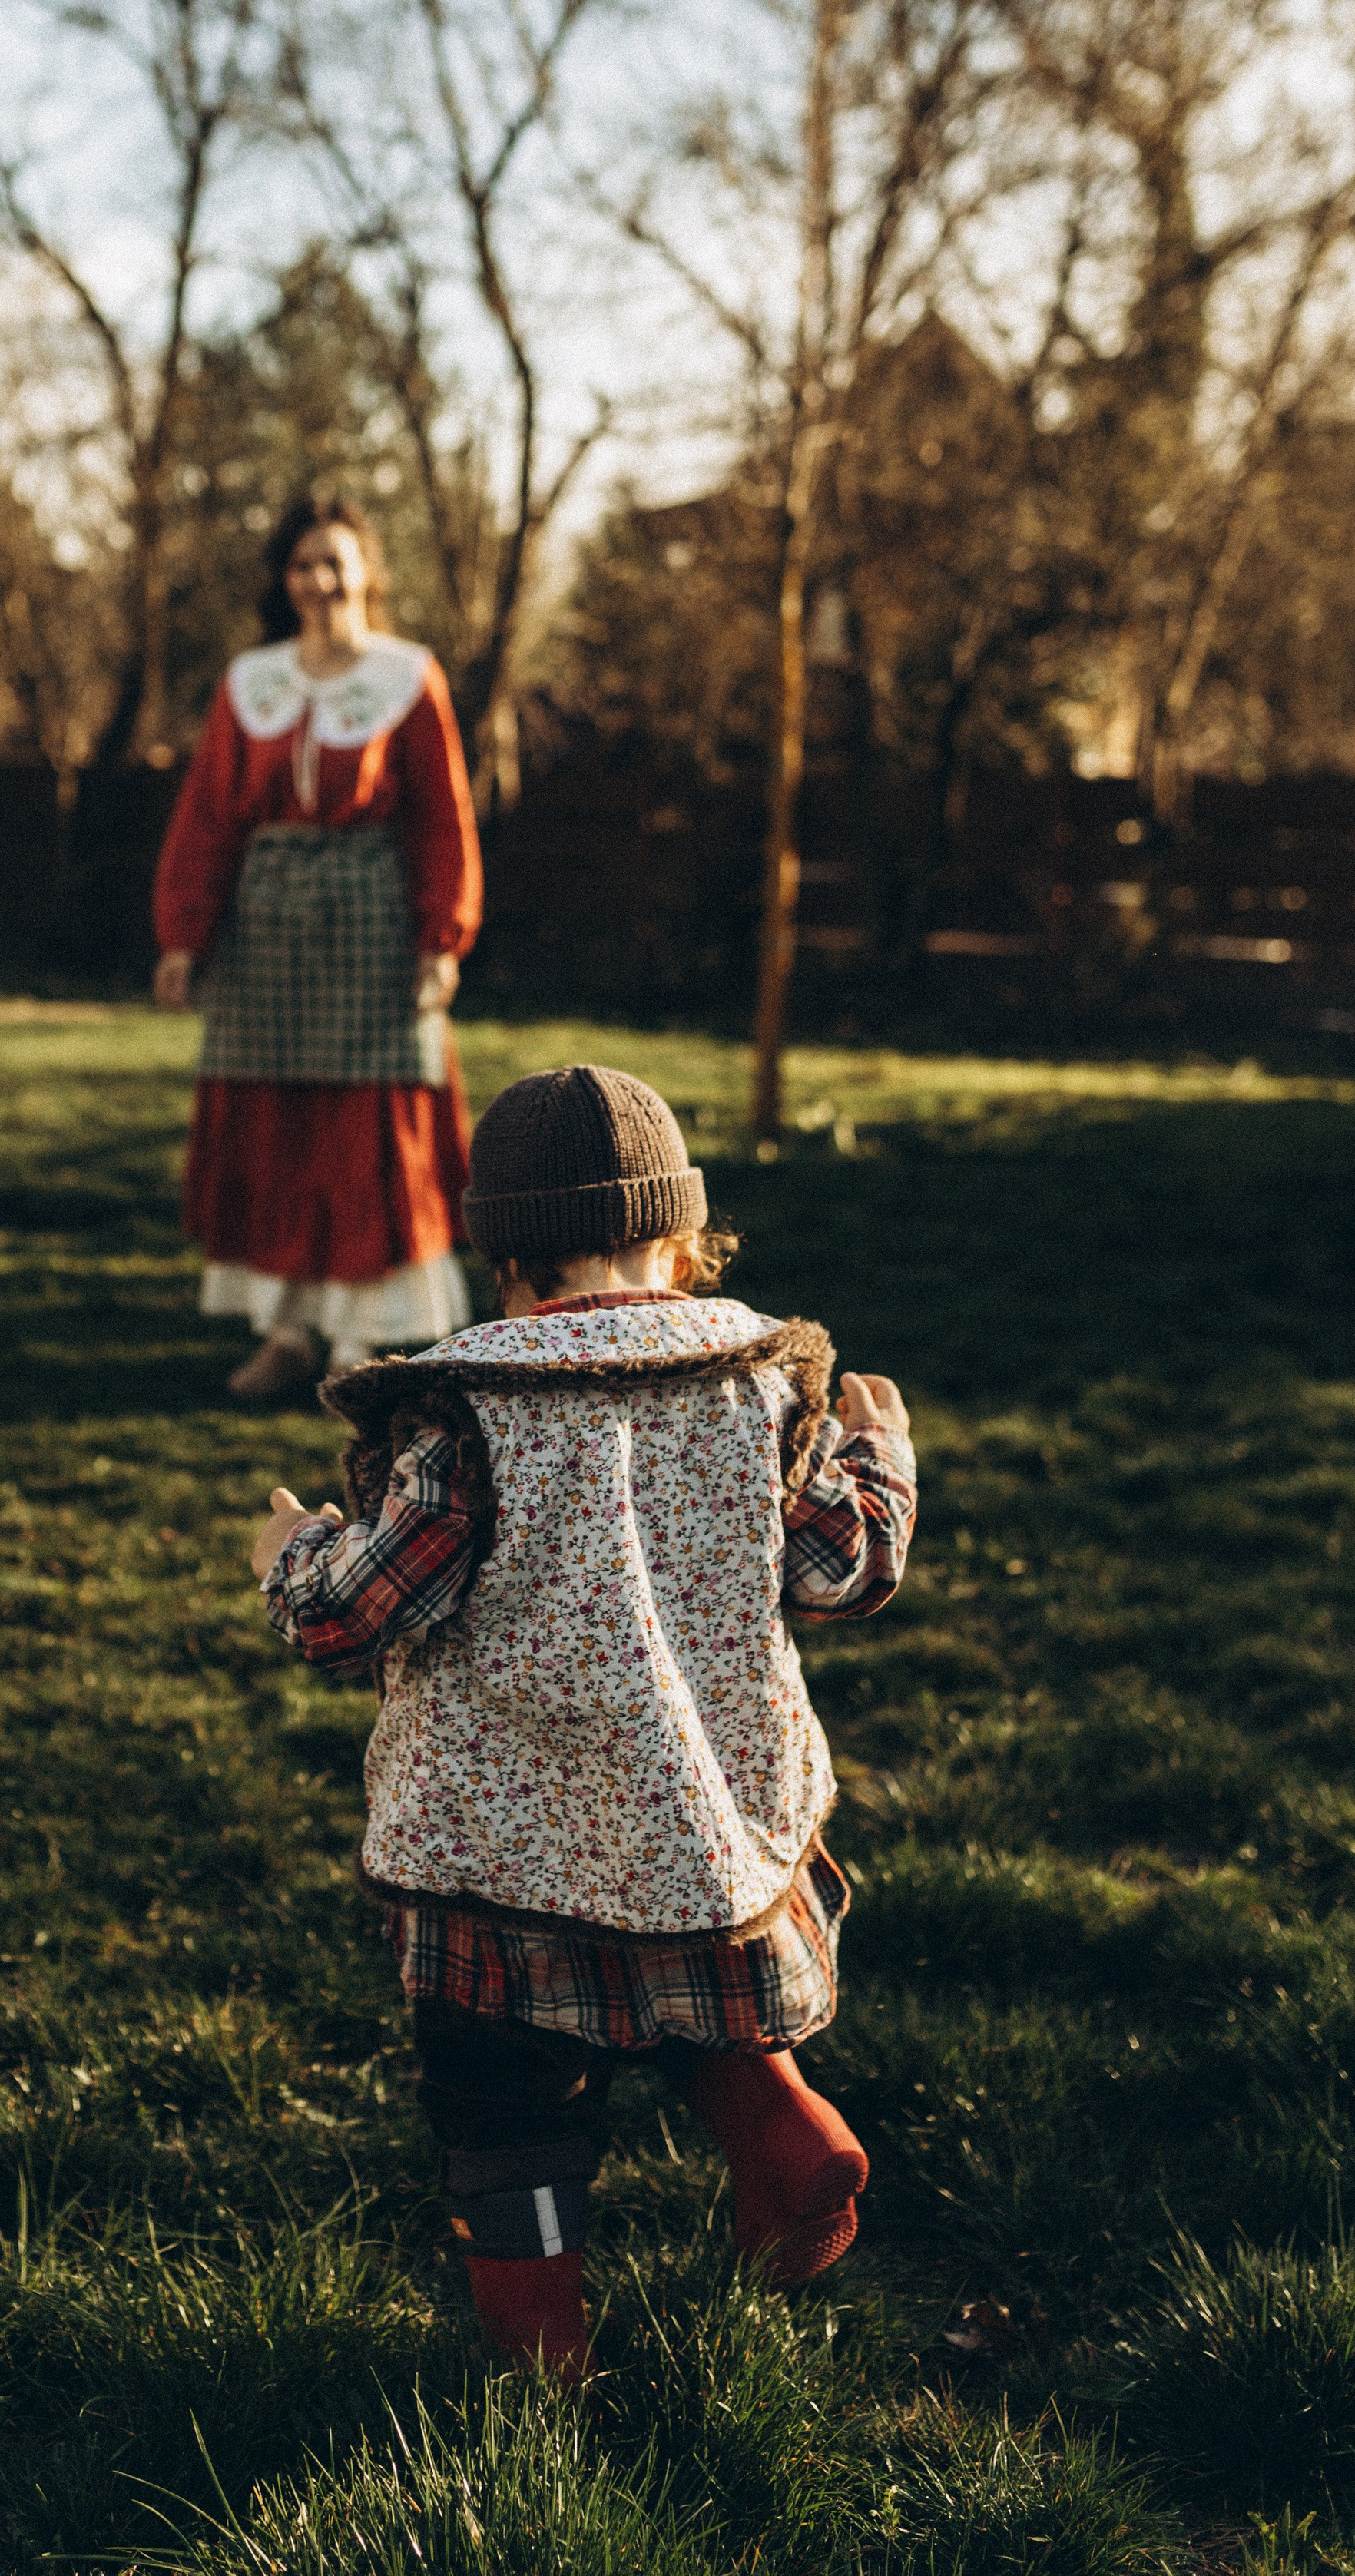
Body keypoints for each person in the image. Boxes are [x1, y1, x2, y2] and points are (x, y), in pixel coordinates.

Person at [250, 1065, 918, 2380]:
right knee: (692, 2001)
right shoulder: (759, 1389)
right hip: (694, 1822)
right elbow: (847, 1571)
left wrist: (297, 1550)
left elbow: (351, 1618)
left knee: (506, 2111)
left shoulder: (465, 1412)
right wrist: (879, 1455)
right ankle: (789, 2141)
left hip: (495, 1861)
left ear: (506, 1253)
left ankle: (544, 2349)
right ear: (679, 1237)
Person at [152, 494, 483, 1402]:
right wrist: (185, 935)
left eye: (336, 563)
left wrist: (441, 935)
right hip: (265, 931)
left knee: (363, 1132)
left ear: (368, 573)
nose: (320, 581)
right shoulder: (250, 681)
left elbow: (441, 816)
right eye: (304, 565)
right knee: (277, 1133)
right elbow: (209, 818)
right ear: (284, 581)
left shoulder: (408, 676)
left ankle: (360, 1343)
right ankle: (289, 1331)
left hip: (371, 920)